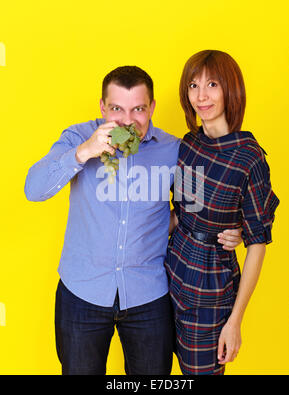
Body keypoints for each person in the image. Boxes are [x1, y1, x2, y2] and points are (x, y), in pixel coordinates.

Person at [24, 65, 242, 375]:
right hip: (82, 292)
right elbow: (33, 189)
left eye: (139, 109)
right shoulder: (78, 137)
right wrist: (82, 152)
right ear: (102, 108)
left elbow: (196, 212)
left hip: (148, 295)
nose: (128, 121)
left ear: (152, 107)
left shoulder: (176, 149)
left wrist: (237, 229)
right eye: (117, 109)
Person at [166, 50, 280, 375]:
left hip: (210, 290)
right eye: (193, 85)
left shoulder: (250, 159)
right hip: (167, 273)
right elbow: (184, 213)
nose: (201, 96)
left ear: (231, 89)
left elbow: (259, 242)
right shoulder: (189, 145)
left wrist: (235, 321)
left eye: (212, 84)